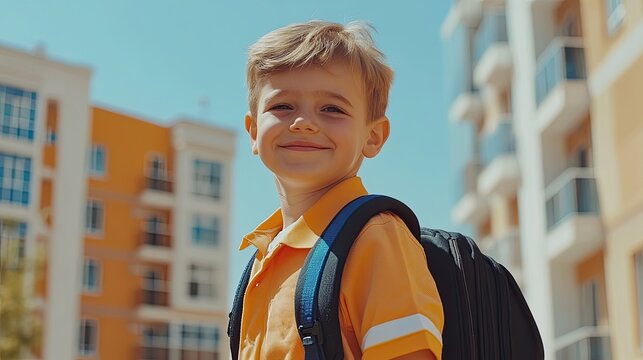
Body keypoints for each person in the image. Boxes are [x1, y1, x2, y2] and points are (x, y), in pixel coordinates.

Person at [237, 20, 443, 359]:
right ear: (253, 130)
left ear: (373, 136)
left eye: (332, 109)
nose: (303, 122)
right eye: (282, 106)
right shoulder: (263, 256)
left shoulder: (377, 238)